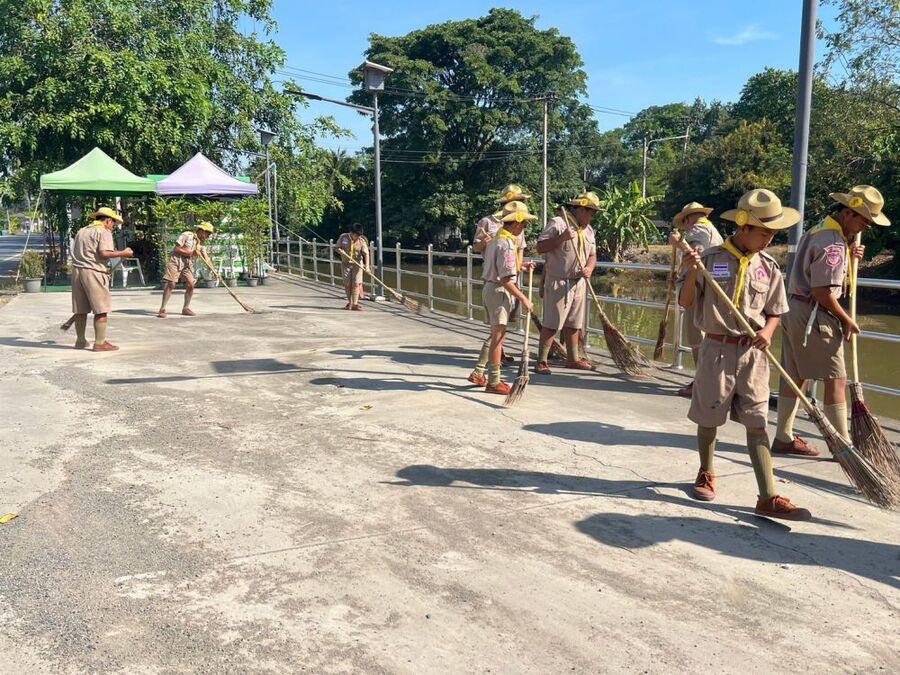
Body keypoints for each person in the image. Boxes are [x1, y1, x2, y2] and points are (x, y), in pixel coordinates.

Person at [678, 188, 811, 520]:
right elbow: (685, 302)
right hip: (716, 351)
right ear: (743, 226)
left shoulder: (768, 267)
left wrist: (767, 332)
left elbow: (775, 312)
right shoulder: (710, 259)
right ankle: (706, 471)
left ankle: (768, 496)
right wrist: (692, 271)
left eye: (773, 234)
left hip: (753, 356)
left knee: (757, 422)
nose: (769, 239)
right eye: (764, 232)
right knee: (709, 417)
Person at [773, 185, 891, 457]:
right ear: (848, 213)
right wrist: (846, 319)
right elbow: (822, 291)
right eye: (863, 221)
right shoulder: (833, 242)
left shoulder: (820, 230)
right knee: (836, 378)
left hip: (796, 308)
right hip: (814, 313)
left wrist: (849, 254)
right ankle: (843, 447)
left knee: (796, 375)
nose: (865, 227)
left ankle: (783, 436)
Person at [470, 201, 537, 394]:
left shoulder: (497, 237)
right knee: (498, 337)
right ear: (516, 222)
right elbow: (506, 279)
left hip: (492, 288)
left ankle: (481, 373)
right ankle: (494, 381)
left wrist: (521, 266)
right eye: (524, 223)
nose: (524, 227)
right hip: (499, 291)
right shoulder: (506, 244)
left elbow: (500, 266)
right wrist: (524, 299)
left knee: (497, 336)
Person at [533, 191, 600, 374]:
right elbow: (540, 247)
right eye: (591, 212)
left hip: (579, 283)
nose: (593, 216)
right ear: (580, 209)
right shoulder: (558, 223)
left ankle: (573, 359)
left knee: (574, 324)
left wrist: (589, 268)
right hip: (558, 281)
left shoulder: (588, 230)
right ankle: (542, 360)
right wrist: (562, 237)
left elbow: (592, 255)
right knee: (551, 323)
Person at [668, 202, 724, 398]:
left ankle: (703, 382)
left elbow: (694, 257)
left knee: (697, 337)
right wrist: (679, 275)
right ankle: (706, 379)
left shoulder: (698, 230)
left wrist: (678, 243)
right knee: (707, 336)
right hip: (710, 288)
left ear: (687, 219)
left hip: (699, 290)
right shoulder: (713, 231)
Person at [473, 184, 530, 365]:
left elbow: (519, 251)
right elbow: (477, 247)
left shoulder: (510, 234)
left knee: (501, 327)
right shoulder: (490, 224)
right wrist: (524, 298)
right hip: (498, 281)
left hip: (508, 279)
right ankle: (488, 371)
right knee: (497, 330)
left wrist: (520, 266)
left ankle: (488, 366)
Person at [70, 207, 134, 352]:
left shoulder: (82, 231)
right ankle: (100, 342)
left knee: (80, 309)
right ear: (108, 221)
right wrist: (123, 253)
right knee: (101, 309)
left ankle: (80, 340)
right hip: (94, 272)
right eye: (113, 224)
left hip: (77, 272)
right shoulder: (103, 232)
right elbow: (104, 253)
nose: (113, 227)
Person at [157, 221, 214, 318]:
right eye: (208, 234)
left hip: (188, 265)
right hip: (176, 261)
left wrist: (214, 271)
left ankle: (186, 308)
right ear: (202, 231)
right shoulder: (187, 235)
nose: (208, 236)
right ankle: (162, 309)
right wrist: (191, 253)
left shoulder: (201, 244)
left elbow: (207, 259)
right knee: (171, 284)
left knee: (191, 284)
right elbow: (176, 249)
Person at [336, 223, 370, 311]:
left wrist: (367, 267)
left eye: (359, 235)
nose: (358, 237)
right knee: (347, 284)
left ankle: (355, 304)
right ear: (351, 233)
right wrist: (340, 251)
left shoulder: (361, 241)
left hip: (357, 264)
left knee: (356, 283)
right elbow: (337, 247)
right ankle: (350, 302)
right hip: (345, 263)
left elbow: (366, 254)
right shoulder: (343, 237)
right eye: (356, 235)